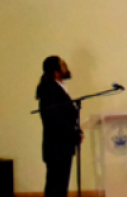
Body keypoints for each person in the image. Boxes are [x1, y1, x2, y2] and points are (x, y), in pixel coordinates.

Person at [36, 56, 81, 197]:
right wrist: (73, 133)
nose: (66, 66)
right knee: (56, 188)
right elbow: (55, 120)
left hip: (61, 146)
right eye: (62, 65)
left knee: (59, 187)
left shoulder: (55, 88)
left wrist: (76, 131)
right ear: (56, 72)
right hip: (57, 147)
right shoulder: (50, 90)